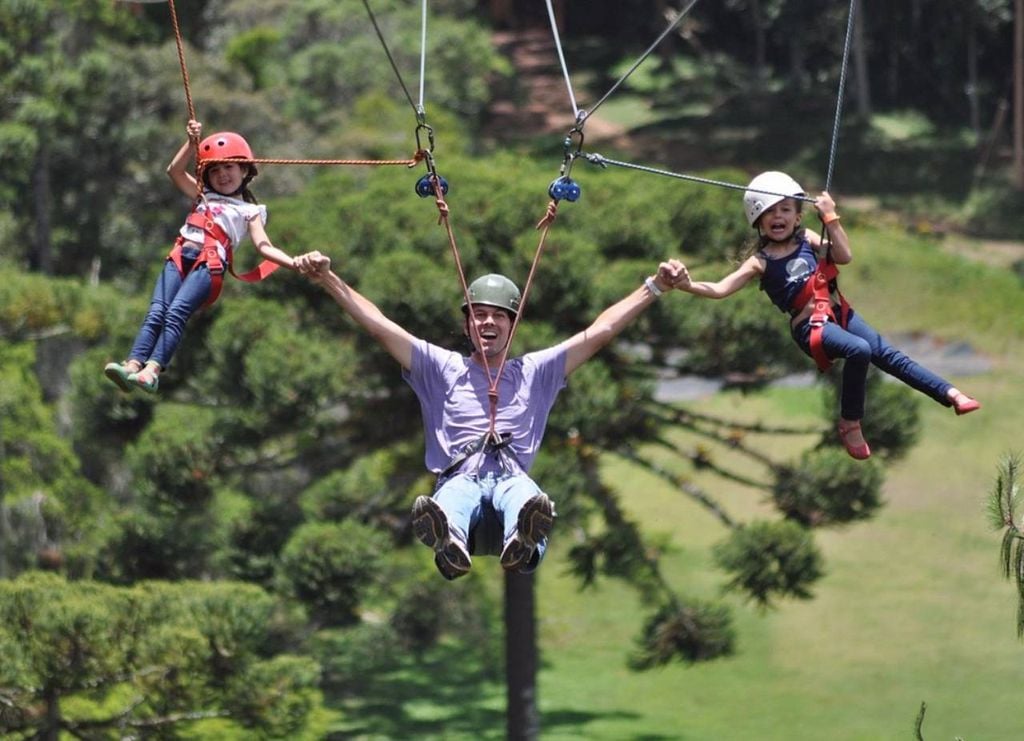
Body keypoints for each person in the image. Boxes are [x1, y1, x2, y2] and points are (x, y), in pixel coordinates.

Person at [296, 253, 685, 579]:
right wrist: (329, 279)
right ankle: (450, 542)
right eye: (479, 314)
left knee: (526, 495)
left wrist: (653, 287)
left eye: (499, 316)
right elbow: (380, 326)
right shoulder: (440, 367)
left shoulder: (536, 371)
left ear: (512, 327)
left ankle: (523, 538)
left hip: (511, 482)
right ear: (467, 324)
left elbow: (601, 331)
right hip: (458, 478)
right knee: (454, 498)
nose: (488, 322)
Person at [674, 171, 980, 461]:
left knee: (887, 354)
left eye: (785, 209)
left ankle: (950, 394)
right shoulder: (760, 262)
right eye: (770, 212)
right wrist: (687, 284)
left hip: (838, 313)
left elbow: (844, 255)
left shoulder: (808, 238)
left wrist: (831, 218)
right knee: (859, 350)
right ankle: (850, 423)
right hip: (810, 328)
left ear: (797, 215)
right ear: (758, 220)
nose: (778, 216)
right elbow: (719, 288)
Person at [104, 120, 300, 394]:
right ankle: (133, 365)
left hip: (209, 265)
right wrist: (191, 142)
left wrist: (293, 263)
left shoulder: (250, 211)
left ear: (244, 169)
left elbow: (264, 247)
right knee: (156, 311)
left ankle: (152, 370)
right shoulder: (202, 194)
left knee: (174, 314)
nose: (222, 175)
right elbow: (174, 171)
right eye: (215, 170)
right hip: (179, 256)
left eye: (229, 167)